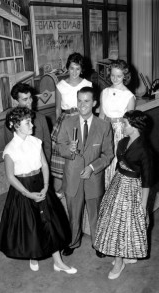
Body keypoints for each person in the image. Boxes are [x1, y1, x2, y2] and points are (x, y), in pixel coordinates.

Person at [0, 107, 77, 274]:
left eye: (30, 121)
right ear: (16, 125)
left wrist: (47, 186)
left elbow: (45, 165)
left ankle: (58, 262)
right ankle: (34, 254)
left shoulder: (35, 142)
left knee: (51, 222)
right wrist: (28, 193)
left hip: (40, 183)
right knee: (31, 224)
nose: (32, 125)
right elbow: (10, 177)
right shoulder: (10, 149)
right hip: (23, 188)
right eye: (28, 122)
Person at [94, 110, 154, 280]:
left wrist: (142, 205)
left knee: (123, 225)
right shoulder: (122, 142)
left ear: (135, 127)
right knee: (113, 221)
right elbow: (119, 166)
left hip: (133, 188)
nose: (122, 126)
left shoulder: (144, 150)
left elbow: (147, 181)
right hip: (118, 183)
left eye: (125, 123)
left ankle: (119, 261)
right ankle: (125, 255)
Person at [57, 86, 114, 257]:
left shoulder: (104, 126)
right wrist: (69, 149)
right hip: (72, 177)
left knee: (95, 212)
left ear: (94, 103)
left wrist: (92, 168)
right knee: (73, 213)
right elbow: (60, 147)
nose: (82, 105)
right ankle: (72, 241)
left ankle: (98, 244)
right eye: (80, 101)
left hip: (93, 178)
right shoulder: (67, 122)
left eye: (87, 101)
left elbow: (108, 154)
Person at [51, 52, 92, 196]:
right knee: (62, 157)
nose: (74, 72)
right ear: (67, 68)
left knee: (81, 155)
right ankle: (61, 189)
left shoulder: (87, 84)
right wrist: (59, 128)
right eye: (72, 68)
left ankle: (79, 187)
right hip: (65, 120)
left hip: (82, 119)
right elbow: (57, 109)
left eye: (78, 69)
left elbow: (90, 106)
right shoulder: (60, 85)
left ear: (82, 70)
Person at [99, 60, 135, 189]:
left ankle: (115, 192)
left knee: (116, 161)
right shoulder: (105, 92)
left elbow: (130, 122)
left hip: (120, 130)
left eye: (119, 76)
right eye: (113, 75)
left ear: (125, 76)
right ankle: (106, 190)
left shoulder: (129, 96)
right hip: (106, 128)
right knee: (105, 159)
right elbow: (101, 115)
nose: (115, 78)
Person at [4, 82, 51, 163]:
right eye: (25, 99)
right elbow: (9, 145)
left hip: (40, 162)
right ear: (16, 101)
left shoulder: (41, 118)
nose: (30, 102)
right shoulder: (11, 120)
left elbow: (47, 144)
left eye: (30, 97)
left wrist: (46, 164)